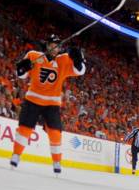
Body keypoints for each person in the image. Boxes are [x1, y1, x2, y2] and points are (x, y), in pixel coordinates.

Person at [10, 34, 86, 174]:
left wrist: (78, 60)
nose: (54, 47)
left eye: (57, 45)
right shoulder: (34, 55)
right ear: (47, 45)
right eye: (52, 44)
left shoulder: (63, 59)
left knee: (55, 133)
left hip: (52, 103)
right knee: (24, 129)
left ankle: (56, 161)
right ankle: (16, 155)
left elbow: (80, 71)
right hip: (33, 99)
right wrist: (22, 67)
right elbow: (20, 75)